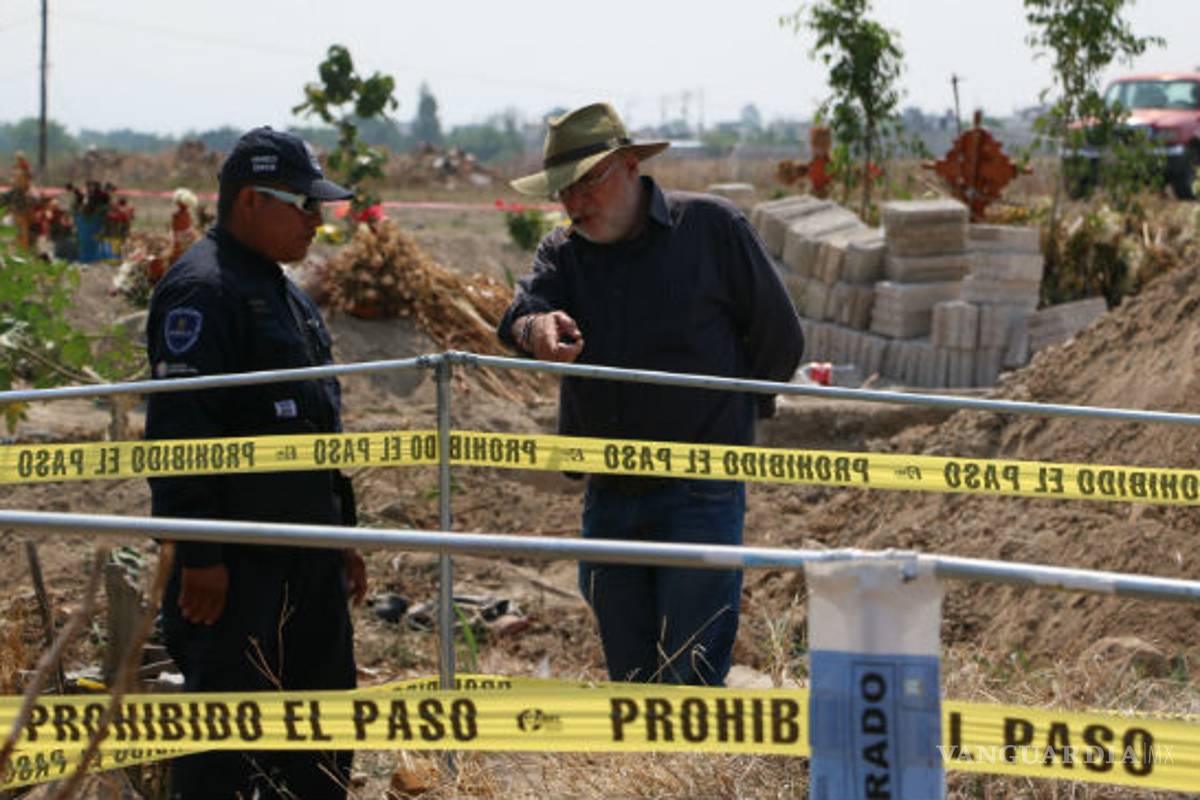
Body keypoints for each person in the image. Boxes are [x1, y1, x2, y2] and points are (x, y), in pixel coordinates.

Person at [497, 102, 804, 686]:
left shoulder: (712, 228)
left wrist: (735, 415)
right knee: (630, 665)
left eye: (588, 182)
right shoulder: (564, 253)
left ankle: (691, 777)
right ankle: (644, 776)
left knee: (689, 665)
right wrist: (535, 329)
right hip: (611, 487)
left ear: (632, 164)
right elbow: (522, 309)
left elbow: (778, 335)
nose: (575, 202)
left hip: (701, 485)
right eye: (563, 190)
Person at [145, 127, 367, 800]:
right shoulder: (202, 292)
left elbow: (315, 424)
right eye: (302, 205)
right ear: (248, 202)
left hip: (307, 556)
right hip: (239, 573)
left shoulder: (283, 290)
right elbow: (180, 431)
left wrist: (343, 537)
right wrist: (201, 554)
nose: (315, 221)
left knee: (319, 742)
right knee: (227, 754)